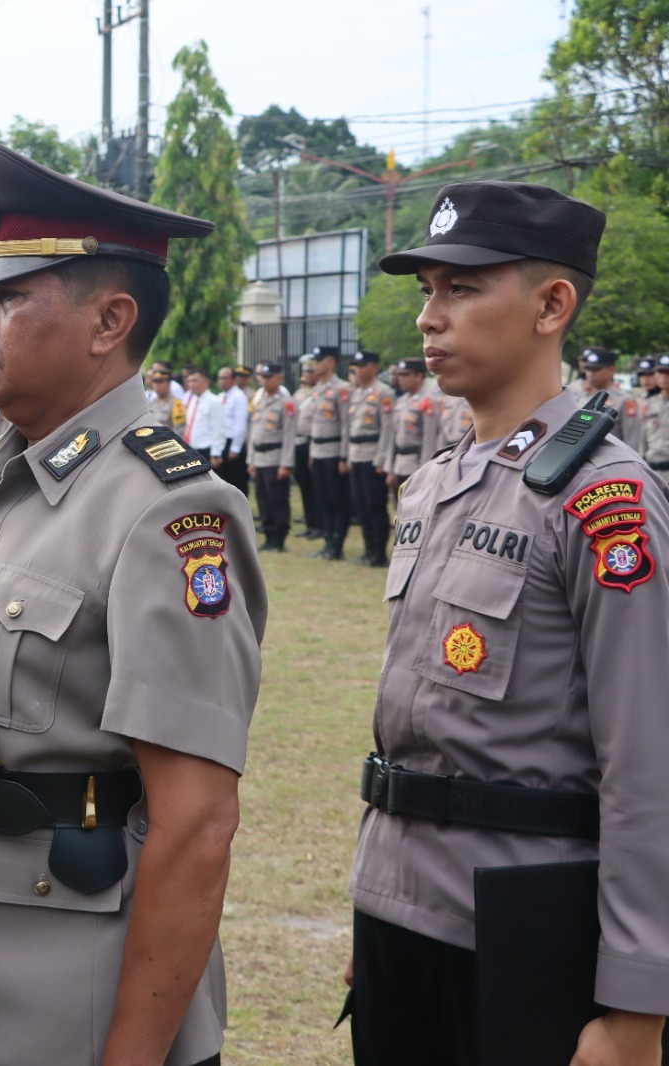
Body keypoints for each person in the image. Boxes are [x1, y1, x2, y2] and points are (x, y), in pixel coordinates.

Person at [0, 137, 267, 1066]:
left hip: (59, 1009)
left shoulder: (168, 508)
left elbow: (197, 821)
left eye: (8, 298)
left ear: (109, 320)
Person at [346, 180, 669, 1064]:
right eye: (427, 292)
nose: (429, 319)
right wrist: (380, 904)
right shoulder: (435, 483)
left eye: (463, 288)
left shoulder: (605, 501)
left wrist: (638, 1001)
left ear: (551, 304)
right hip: (402, 919)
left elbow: (648, 765)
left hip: (521, 935)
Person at [345, 351, 392, 567]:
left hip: (373, 456)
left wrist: (381, 459)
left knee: (375, 505)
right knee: (360, 504)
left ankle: (378, 552)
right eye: (357, 366)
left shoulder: (384, 393)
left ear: (374, 367)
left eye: (363, 365)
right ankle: (367, 549)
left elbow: (387, 429)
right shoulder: (356, 392)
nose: (359, 369)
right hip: (356, 455)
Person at [246, 361, 297, 551]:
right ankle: (268, 536)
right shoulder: (259, 399)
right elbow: (253, 431)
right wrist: (251, 459)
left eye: (269, 377)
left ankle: (279, 538)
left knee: (277, 499)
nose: (265, 381)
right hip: (259, 458)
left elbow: (289, 435)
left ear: (279, 378)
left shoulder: (286, 402)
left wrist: (286, 464)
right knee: (262, 498)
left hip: (275, 457)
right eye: (263, 377)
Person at [306, 345, 350, 559]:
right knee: (323, 499)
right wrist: (313, 453)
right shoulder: (318, 388)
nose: (316, 364)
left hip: (334, 451)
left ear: (331, 362)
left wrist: (343, 456)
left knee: (336, 499)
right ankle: (327, 541)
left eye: (319, 360)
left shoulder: (341, 388)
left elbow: (345, 425)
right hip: (319, 451)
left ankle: (336, 544)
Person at [377, 357, 439, 498]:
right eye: (399, 375)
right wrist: (390, 469)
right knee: (398, 510)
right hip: (399, 463)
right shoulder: (400, 401)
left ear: (418, 376)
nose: (401, 379)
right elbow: (393, 437)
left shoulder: (428, 401)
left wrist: (425, 470)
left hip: (415, 464)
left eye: (405, 375)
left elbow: (429, 439)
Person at [568, 346, 645, 451]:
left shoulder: (624, 400)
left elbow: (631, 442)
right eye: (588, 369)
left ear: (612, 369)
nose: (591, 374)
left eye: (596, 369)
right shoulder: (581, 397)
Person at [293, 356, 324, 539]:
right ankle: (310, 522)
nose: (307, 375)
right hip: (298, 443)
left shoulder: (321, 393)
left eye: (310, 371)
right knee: (304, 485)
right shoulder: (299, 394)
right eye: (305, 372)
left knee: (315, 486)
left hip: (312, 442)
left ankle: (320, 525)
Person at [182, 365, 227, 465]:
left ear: (206, 382)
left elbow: (218, 429)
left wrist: (216, 453)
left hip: (206, 451)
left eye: (195, 381)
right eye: (189, 381)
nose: (191, 384)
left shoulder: (213, 401)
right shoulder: (193, 400)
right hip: (192, 450)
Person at [216, 365, 250, 495]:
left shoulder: (239, 396)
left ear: (234, 379)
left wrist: (235, 448)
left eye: (225, 378)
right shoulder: (220, 396)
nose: (222, 381)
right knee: (224, 479)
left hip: (233, 442)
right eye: (220, 378)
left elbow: (240, 424)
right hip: (223, 441)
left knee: (237, 481)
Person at [644, 353, 669, 487]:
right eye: (661, 372)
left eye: (668, 372)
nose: (665, 376)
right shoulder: (648, 403)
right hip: (652, 472)